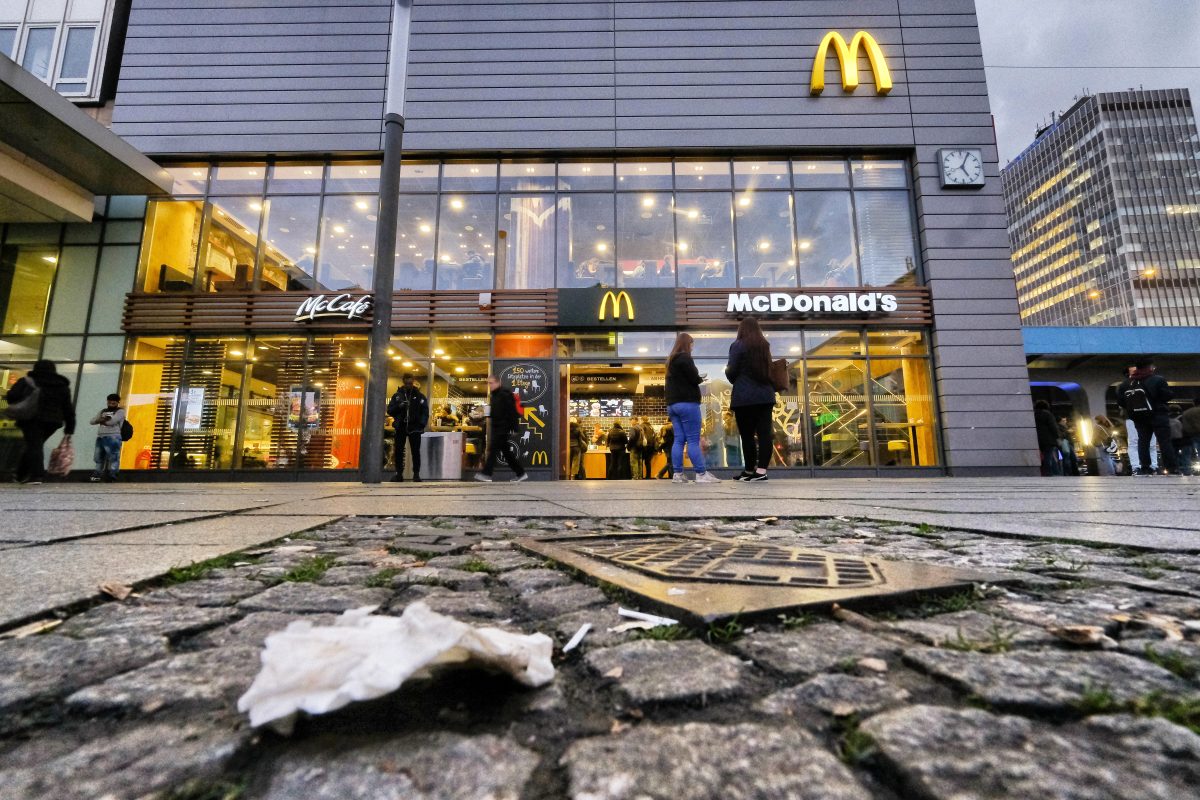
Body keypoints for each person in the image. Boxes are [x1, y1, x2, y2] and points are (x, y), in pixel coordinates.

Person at [5, 359, 76, 485]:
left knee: (34, 446)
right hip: (53, 422)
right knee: (34, 445)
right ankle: (20, 474)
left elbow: (12, 396)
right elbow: (67, 408)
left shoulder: (27, 381)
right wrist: (70, 427)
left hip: (31, 419)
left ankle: (36, 475)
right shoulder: (62, 386)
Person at [665, 332, 721, 483]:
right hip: (687, 404)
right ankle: (701, 474)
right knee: (693, 440)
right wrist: (700, 378)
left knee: (678, 440)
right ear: (687, 344)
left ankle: (677, 474)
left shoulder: (670, 361)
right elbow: (694, 378)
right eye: (691, 344)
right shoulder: (685, 358)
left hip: (672, 405)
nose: (692, 347)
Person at [726, 317, 776, 482]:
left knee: (747, 436)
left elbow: (731, 371)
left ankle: (749, 470)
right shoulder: (764, 345)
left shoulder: (737, 345)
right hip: (765, 396)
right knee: (764, 434)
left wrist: (731, 375)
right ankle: (761, 471)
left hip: (744, 397)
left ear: (741, 329)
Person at [1118, 357, 1178, 475]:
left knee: (1143, 442)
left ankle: (1145, 468)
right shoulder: (1158, 380)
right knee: (1164, 442)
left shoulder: (1126, 384)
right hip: (1158, 415)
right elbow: (1167, 396)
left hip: (1139, 417)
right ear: (1149, 367)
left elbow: (1121, 402)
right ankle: (1171, 468)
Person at [475, 375, 527, 482]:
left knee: (493, 450)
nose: (489, 385)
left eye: (491, 383)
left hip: (503, 428)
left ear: (498, 383)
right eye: (488, 383)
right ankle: (520, 473)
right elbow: (496, 412)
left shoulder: (505, 394)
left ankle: (486, 474)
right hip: (497, 428)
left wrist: (515, 428)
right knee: (507, 453)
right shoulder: (494, 395)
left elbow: (512, 411)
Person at [387, 373, 429, 482]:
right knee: (399, 451)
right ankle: (399, 474)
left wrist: (421, 424)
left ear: (413, 382)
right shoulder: (398, 396)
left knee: (415, 451)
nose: (408, 385)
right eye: (406, 383)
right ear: (403, 382)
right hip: (401, 426)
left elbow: (425, 411)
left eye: (410, 383)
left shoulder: (419, 396)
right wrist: (399, 406)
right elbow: (390, 410)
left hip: (415, 427)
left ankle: (416, 474)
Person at [1119, 365, 1157, 475]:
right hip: (1144, 415)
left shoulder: (1124, 385)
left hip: (1132, 416)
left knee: (1136, 442)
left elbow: (1120, 401)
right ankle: (1149, 466)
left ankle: (1140, 467)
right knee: (1147, 442)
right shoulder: (1146, 382)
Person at [89, 393, 127, 482]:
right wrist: (103, 419)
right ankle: (97, 475)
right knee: (98, 457)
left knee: (113, 458)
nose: (111, 405)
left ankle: (112, 476)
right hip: (101, 436)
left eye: (113, 403)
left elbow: (111, 422)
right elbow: (92, 421)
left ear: (117, 402)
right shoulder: (103, 411)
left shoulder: (120, 411)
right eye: (109, 403)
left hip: (113, 437)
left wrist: (100, 420)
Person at [1033, 400, 1062, 476]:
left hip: (1038, 440)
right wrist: (1057, 437)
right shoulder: (1047, 414)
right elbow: (1053, 427)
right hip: (1049, 440)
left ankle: (1056, 473)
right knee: (1048, 457)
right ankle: (1049, 474)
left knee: (1048, 456)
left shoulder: (1034, 415)